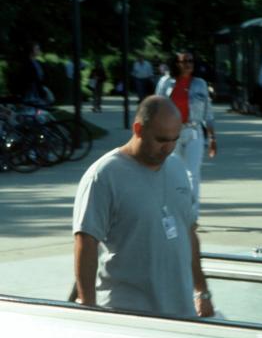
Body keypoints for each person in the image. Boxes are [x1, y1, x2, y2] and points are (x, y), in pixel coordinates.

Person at [72, 96, 214, 318]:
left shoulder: (177, 168)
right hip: (129, 311)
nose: (168, 148)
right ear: (138, 129)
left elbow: (189, 232)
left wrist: (202, 291)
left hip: (180, 309)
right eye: (160, 139)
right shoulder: (104, 175)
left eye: (174, 139)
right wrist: (88, 309)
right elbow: (86, 241)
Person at [156, 50, 217, 202]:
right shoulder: (165, 82)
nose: (188, 65)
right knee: (173, 173)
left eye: (190, 61)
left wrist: (212, 137)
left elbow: (208, 113)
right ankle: (175, 210)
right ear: (177, 64)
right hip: (171, 133)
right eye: (184, 61)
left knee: (193, 174)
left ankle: (192, 216)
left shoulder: (200, 83)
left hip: (193, 131)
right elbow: (155, 108)